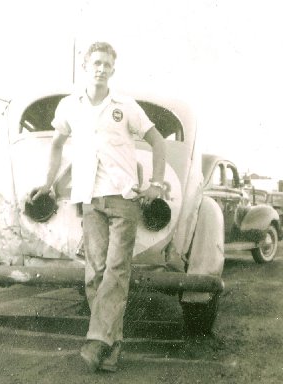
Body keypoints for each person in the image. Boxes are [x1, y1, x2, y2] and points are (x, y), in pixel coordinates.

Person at [29, 41, 166, 372]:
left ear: (113, 70)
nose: (102, 68)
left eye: (107, 64)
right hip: (88, 200)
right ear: (85, 66)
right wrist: (48, 183)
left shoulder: (126, 106)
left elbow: (158, 141)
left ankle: (96, 343)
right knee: (95, 274)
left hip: (124, 200)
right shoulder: (68, 107)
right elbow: (57, 145)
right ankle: (111, 345)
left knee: (117, 270)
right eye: (97, 63)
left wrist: (157, 184)